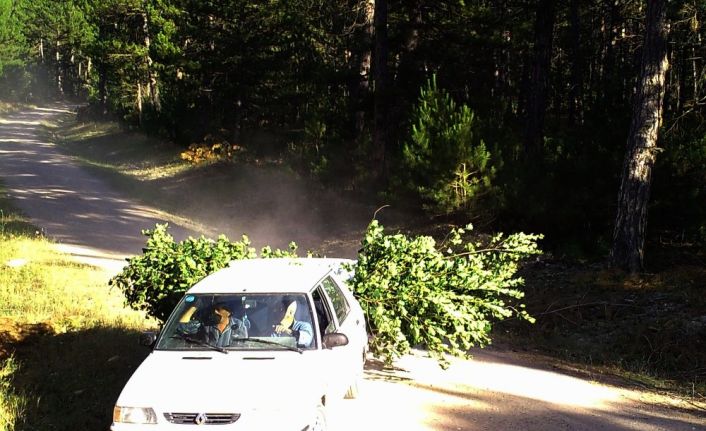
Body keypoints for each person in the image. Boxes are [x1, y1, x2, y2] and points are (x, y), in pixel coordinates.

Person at [177, 302, 248, 348]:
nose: (215, 312)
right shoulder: (206, 322)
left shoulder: (239, 325)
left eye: (218, 309)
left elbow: (242, 345)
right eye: (214, 309)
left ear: (228, 312)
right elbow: (183, 328)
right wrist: (194, 306)